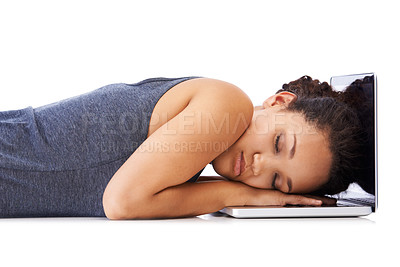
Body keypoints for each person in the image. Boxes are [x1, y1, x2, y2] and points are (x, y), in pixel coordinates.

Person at [0, 76, 371, 219]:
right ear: (278, 102)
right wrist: (249, 197)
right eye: (278, 143)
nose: (259, 167)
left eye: (277, 182)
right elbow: (122, 202)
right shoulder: (228, 103)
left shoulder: (188, 172)